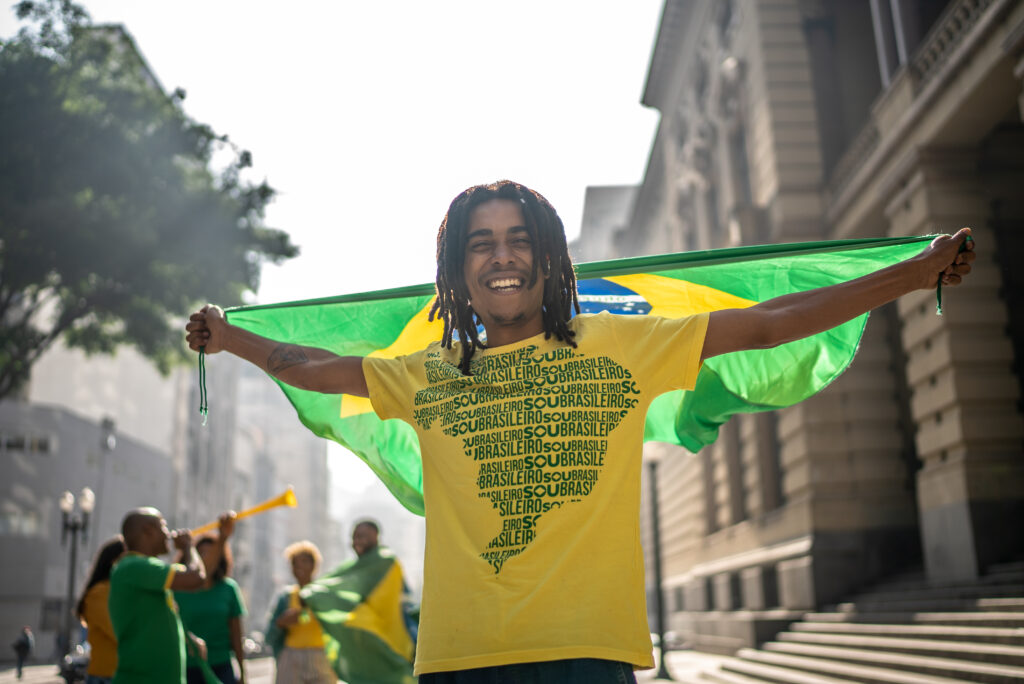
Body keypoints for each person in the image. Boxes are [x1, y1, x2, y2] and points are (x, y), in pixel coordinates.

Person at [186, 179, 975, 682]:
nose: (501, 256)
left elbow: (769, 322)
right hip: (463, 659)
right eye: (481, 243)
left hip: (590, 659)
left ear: (549, 259)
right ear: (458, 272)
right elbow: (314, 367)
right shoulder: (427, 371)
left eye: (519, 239)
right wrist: (230, 338)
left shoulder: (622, 345)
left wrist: (912, 273)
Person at [298, 520, 416, 684]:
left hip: (387, 637)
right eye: (354, 537)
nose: (357, 541)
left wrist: (311, 594)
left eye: (363, 536)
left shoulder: (384, 560)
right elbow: (335, 583)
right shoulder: (356, 565)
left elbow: (339, 585)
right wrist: (311, 594)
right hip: (366, 643)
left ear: (376, 537)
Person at [108, 508, 206, 684]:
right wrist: (188, 547)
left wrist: (186, 637)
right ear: (148, 530)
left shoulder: (146, 569)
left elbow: (156, 618)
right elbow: (196, 576)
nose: (168, 533)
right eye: (163, 526)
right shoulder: (135, 566)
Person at [175, 514, 247, 684]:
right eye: (200, 554)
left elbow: (236, 635)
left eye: (211, 554)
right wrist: (222, 538)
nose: (204, 559)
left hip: (221, 667)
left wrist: (243, 672)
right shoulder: (177, 586)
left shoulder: (228, 589)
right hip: (185, 668)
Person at [265, 540, 335, 684]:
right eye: (294, 564)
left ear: (314, 565)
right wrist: (281, 622)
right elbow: (269, 636)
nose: (299, 567)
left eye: (304, 562)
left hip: (321, 658)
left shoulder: (324, 594)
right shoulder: (286, 597)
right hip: (292, 658)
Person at [77, 536, 126, 684]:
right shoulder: (99, 592)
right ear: (114, 561)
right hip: (106, 675)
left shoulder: (119, 589)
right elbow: (118, 630)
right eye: (128, 558)